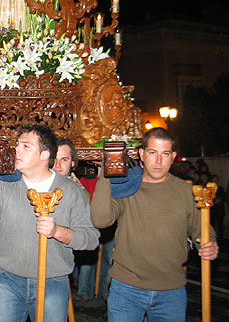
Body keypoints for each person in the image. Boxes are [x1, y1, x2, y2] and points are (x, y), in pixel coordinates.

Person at [0, 124, 100, 322]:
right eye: (17, 145)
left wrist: (58, 231)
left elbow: (91, 239)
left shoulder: (70, 190)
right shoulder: (6, 185)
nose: (17, 150)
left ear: (45, 154)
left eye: (26, 146)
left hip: (52, 282)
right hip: (7, 280)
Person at [90, 127, 219, 321]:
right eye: (152, 153)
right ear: (141, 154)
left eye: (165, 154)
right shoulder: (127, 187)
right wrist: (105, 173)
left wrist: (209, 244)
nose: (158, 161)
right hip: (127, 288)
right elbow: (100, 220)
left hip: (171, 291)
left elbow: (201, 228)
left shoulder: (186, 192)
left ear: (173, 156)